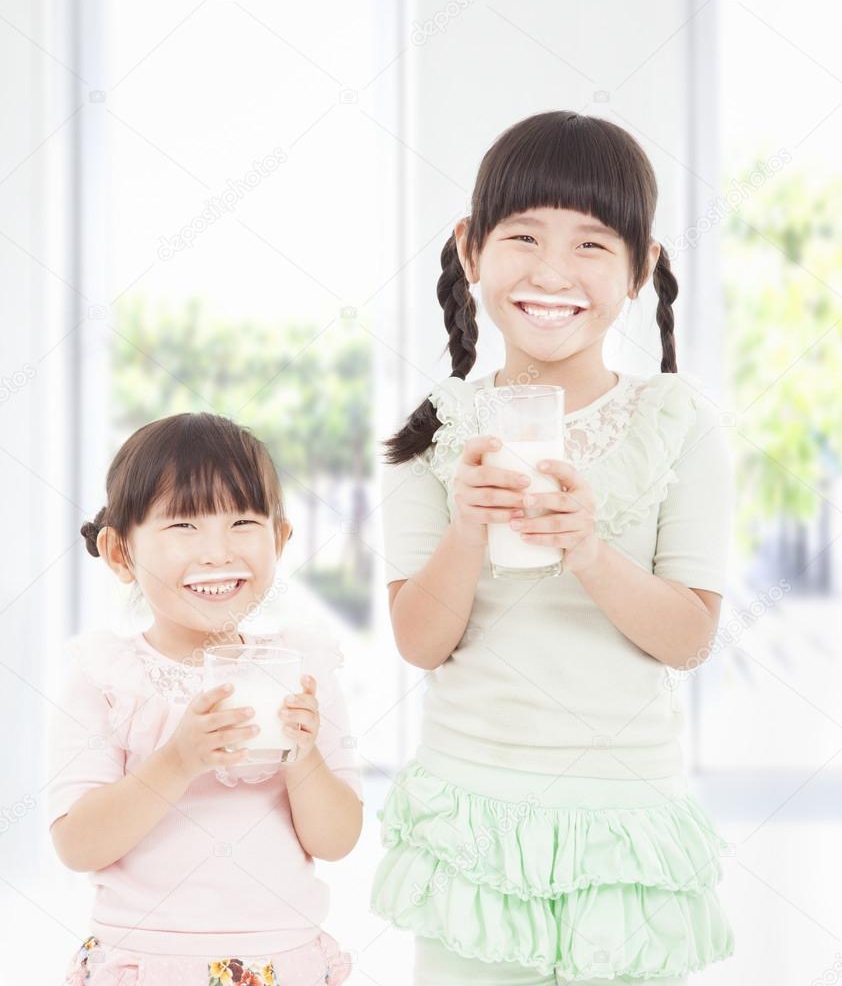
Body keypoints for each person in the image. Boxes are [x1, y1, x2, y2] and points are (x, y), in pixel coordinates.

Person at [370, 111, 735, 985]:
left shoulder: (678, 426)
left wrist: (591, 551)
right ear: (470, 249)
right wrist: (467, 527)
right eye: (523, 236)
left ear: (643, 268)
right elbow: (420, 641)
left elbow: (689, 639)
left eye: (592, 246)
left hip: (623, 823)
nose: (551, 273)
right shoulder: (437, 436)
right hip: (473, 817)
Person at [49, 412, 363, 985]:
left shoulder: (301, 671)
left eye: (243, 520)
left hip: (280, 960)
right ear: (121, 554)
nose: (218, 552)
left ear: (280, 538)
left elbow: (337, 841)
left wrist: (305, 756)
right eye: (184, 526)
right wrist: (178, 760)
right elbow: (78, 843)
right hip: (146, 961)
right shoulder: (107, 678)